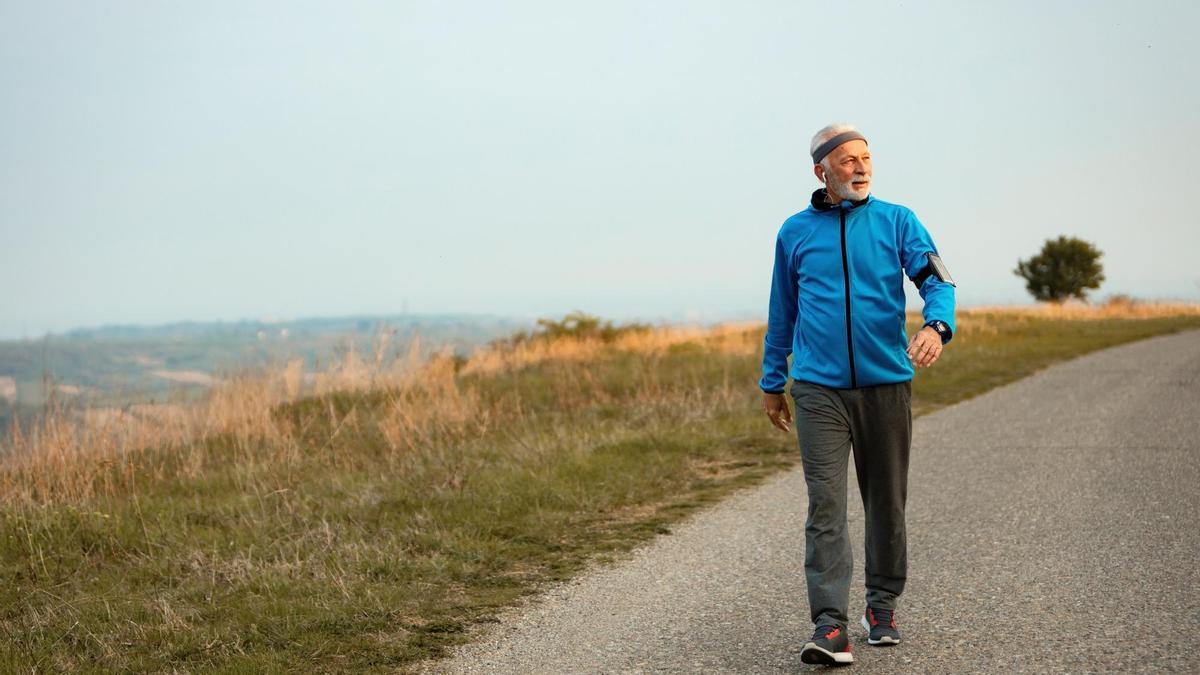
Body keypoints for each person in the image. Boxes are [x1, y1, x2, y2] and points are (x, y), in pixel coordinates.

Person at [759, 123, 956, 666]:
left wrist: (936, 326)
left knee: (886, 503)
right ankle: (830, 626)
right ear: (822, 170)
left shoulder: (898, 221)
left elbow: (937, 279)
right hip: (819, 389)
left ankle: (882, 605)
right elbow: (783, 310)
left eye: (866, 158)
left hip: (886, 385)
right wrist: (772, 379)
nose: (861, 168)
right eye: (848, 160)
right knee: (825, 505)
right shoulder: (794, 232)